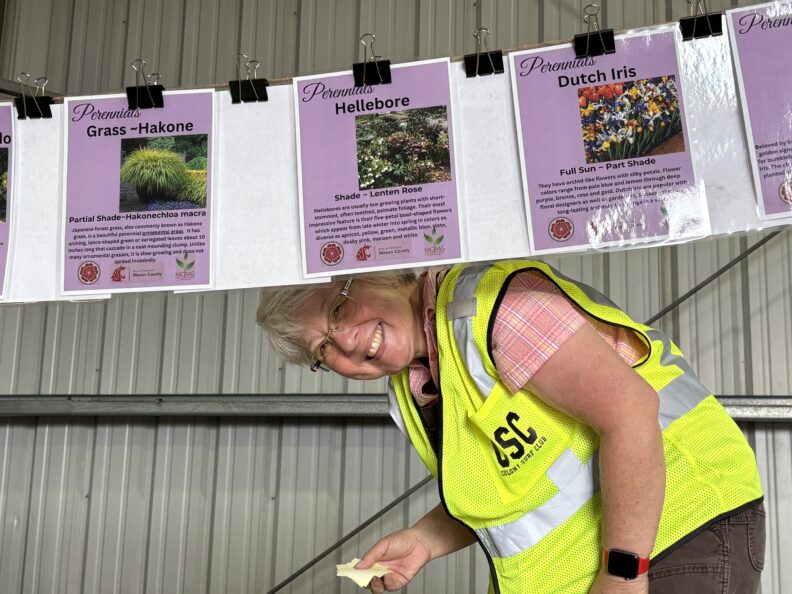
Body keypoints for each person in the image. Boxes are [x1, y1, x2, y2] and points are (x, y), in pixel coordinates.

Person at [257, 259, 765, 594]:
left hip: (677, 535)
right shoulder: (418, 386)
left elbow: (629, 412)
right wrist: (425, 540)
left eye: (338, 309)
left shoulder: (489, 308)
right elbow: (515, 489)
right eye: (322, 349)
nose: (343, 341)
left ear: (376, 272)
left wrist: (623, 573)